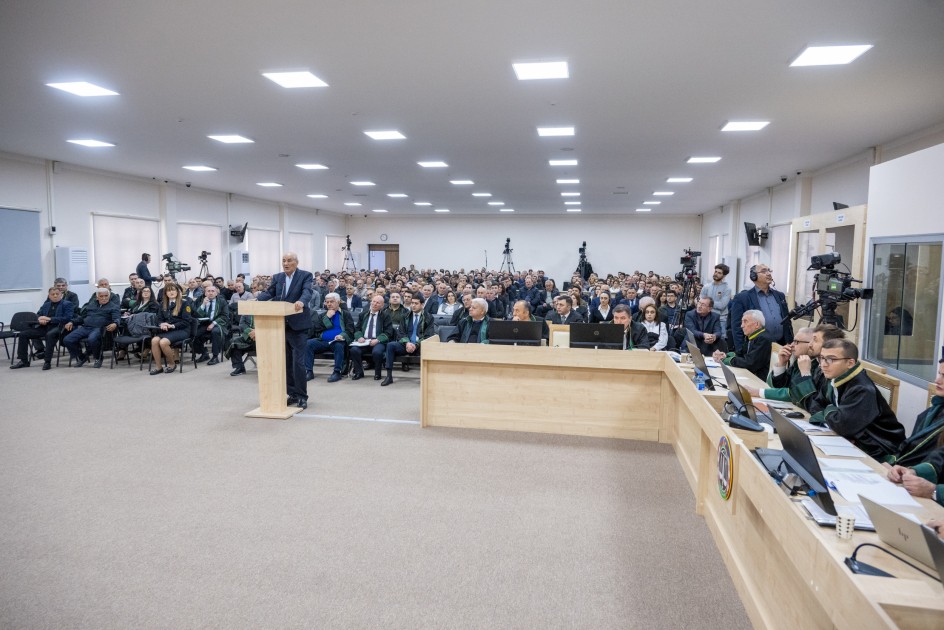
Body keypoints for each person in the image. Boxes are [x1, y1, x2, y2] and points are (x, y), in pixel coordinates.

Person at [807, 339, 905, 460]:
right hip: (851, 441)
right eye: (822, 358)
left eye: (831, 359)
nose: (823, 364)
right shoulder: (835, 377)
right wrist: (833, 413)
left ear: (850, 363)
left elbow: (841, 426)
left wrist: (829, 409)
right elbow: (815, 404)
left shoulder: (862, 389)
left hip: (879, 449)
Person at [256, 252, 314, 408]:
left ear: (296, 262)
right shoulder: (278, 277)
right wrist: (256, 300)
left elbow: (307, 292)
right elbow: (270, 293)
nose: (286, 263)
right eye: (283, 261)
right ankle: (292, 393)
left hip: (298, 325)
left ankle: (302, 396)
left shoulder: (305, 275)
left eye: (289, 260)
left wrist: (301, 302)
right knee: (286, 362)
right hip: (280, 325)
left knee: (298, 362)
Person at [882, 353, 944, 470]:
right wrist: (895, 465)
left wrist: (908, 471)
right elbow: (911, 447)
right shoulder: (933, 410)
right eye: (939, 374)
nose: (937, 380)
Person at [728, 263, 793, 354]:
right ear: (753, 276)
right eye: (764, 271)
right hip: (757, 349)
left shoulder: (780, 296)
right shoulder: (742, 298)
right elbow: (737, 327)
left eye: (769, 270)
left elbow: (787, 322)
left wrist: (790, 342)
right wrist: (740, 351)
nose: (769, 273)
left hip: (781, 346)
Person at [746, 327, 816, 406]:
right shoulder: (798, 362)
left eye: (797, 342)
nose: (792, 345)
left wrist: (759, 392)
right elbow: (776, 386)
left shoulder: (817, 367)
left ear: (811, 344)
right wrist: (782, 363)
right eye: (793, 341)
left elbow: (794, 393)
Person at [10, 286, 75, 370]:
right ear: (49, 295)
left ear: (61, 295)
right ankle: (24, 361)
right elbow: (39, 314)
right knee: (23, 334)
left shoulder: (67, 304)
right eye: (52, 294)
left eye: (57, 294)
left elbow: (68, 318)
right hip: (44, 327)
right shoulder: (46, 305)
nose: (55, 296)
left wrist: (50, 319)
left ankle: (47, 362)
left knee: (50, 335)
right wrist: (40, 319)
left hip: (59, 327)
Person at [382, 293, 435, 386]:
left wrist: (416, 344)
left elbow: (428, 335)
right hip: (406, 344)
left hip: (420, 346)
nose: (413, 305)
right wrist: (407, 343)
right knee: (390, 345)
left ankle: (425, 378)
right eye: (412, 303)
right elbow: (401, 333)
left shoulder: (429, 317)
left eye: (416, 303)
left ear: (422, 305)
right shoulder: (405, 315)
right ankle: (389, 376)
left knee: (429, 349)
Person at [63, 287, 120, 368]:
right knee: (67, 339)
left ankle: (98, 358)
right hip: (86, 327)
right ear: (97, 297)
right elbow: (82, 317)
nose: (104, 298)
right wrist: (72, 322)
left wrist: (115, 323)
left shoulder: (114, 307)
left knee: (92, 339)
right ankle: (82, 357)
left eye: (106, 296)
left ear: (109, 296)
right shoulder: (91, 304)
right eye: (101, 296)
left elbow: (117, 318)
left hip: (100, 329)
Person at [304, 292, 354, 383]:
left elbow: (350, 330)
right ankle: (309, 371)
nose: (329, 304)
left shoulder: (345, 314)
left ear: (338, 302)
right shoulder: (323, 315)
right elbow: (316, 329)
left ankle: (337, 372)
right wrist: (327, 317)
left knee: (339, 345)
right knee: (308, 344)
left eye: (332, 301)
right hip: (323, 341)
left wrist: (342, 336)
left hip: (337, 341)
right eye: (327, 302)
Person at [713, 309, 772, 380]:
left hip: (759, 380)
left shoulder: (763, 339)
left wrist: (725, 360)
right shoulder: (752, 336)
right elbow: (741, 354)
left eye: (745, 322)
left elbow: (749, 363)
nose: (742, 326)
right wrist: (725, 355)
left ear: (757, 324)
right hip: (749, 375)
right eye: (742, 322)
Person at [148, 283, 193, 375]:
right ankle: (159, 367)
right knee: (154, 340)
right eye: (168, 290)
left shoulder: (184, 303)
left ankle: (172, 364)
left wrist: (171, 326)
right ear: (165, 293)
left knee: (163, 342)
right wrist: (162, 324)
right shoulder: (163, 304)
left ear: (177, 292)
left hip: (182, 330)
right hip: (168, 331)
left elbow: (186, 321)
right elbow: (159, 319)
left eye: (173, 290)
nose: (171, 292)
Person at [349, 294, 393, 381]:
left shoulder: (385, 316)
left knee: (377, 352)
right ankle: (359, 372)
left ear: (382, 305)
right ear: (370, 302)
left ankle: (377, 373)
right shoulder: (363, 314)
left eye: (378, 303)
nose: (375, 304)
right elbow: (357, 328)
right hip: (364, 341)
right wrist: (359, 337)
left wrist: (378, 339)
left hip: (377, 341)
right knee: (354, 350)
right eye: (373, 301)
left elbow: (388, 332)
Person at [192, 285, 228, 365]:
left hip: (218, 324)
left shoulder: (222, 301)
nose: (210, 293)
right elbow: (196, 315)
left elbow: (225, 316)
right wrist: (203, 305)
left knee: (215, 332)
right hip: (204, 324)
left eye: (213, 291)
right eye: (208, 291)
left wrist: (213, 324)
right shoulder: (201, 300)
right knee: (193, 334)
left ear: (216, 293)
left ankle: (215, 356)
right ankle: (204, 353)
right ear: (205, 293)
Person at [700, 264, 732, 338]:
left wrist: (706, 303)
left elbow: (721, 305)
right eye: (715, 271)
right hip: (706, 317)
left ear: (724, 275)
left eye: (719, 273)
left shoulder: (727, 289)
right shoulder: (706, 286)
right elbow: (701, 300)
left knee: (720, 339)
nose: (716, 274)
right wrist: (705, 303)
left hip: (720, 319)